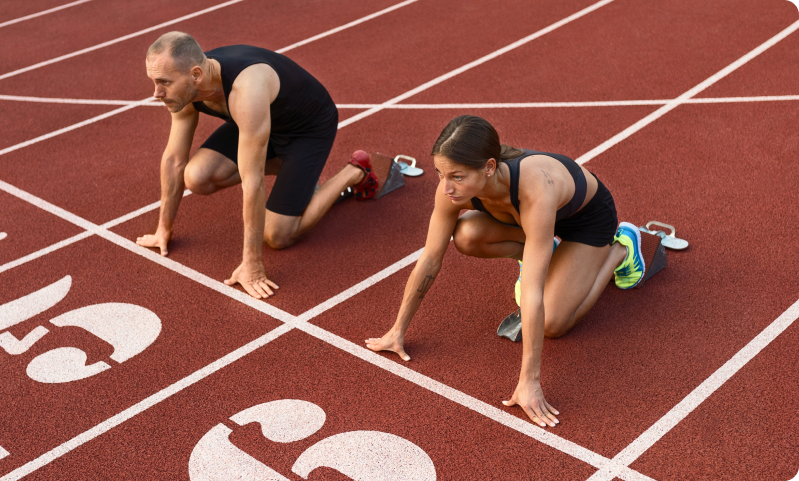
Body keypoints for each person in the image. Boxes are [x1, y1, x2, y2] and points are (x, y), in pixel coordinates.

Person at [365, 115, 646, 428]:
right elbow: (431, 258)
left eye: (456, 176)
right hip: (529, 223)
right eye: (440, 174)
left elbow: (533, 292)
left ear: (488, 167)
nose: (446, 187)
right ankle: (544, 254)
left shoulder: (535, 187)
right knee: (467, 236)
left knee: (552, 323)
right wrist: (397, 330)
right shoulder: (453, 189)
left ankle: (620, 249)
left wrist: (530, 382)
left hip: (586, 223)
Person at [137, 32, 378, 299]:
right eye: (154, 82)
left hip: (306, 131)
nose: (156, 93)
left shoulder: (246, 89)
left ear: (195, 75)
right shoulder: (184, 88)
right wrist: (163, 229)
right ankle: (298, 179)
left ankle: (354, 171)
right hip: (259, 124)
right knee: (196, 177)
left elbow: (253, 181)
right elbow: (174, 160)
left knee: (277, 235)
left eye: (164, 83)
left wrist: (252, 264)